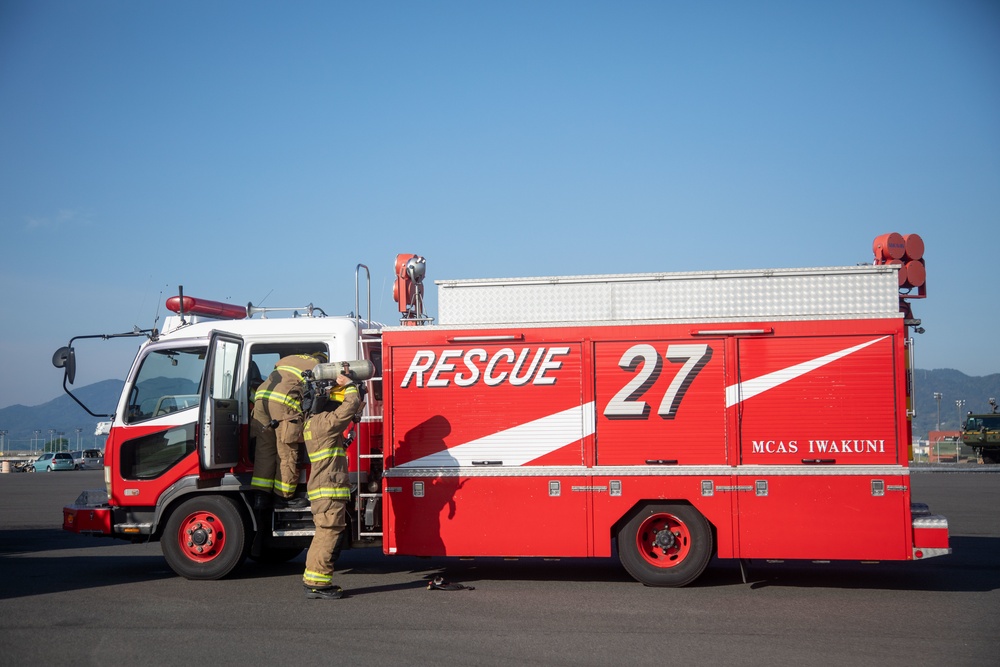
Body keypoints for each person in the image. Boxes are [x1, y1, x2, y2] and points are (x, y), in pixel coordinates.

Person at [301, 371, 363, 599]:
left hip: (325, 488)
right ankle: (317, 583)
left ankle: (314, 579)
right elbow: (348, 407)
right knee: (327, 533)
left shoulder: (313, 423)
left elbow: (349, 412)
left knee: (325, 532)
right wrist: (349, 386)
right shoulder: (324, 423)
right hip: (328, 489)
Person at [250, 352, 327, 508]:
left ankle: (261, 495)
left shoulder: (287, 360)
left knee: (265, 448)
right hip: (282, 403)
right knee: (286, 450)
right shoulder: (318, 368)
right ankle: (283, 497)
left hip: (260, 398)